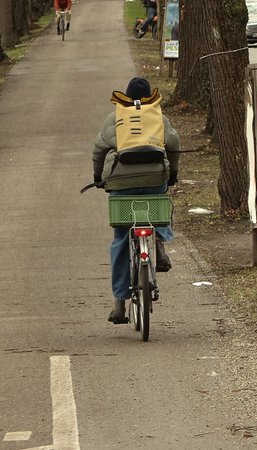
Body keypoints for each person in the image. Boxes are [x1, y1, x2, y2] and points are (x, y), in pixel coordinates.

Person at [92, 77, 180, 324]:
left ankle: (120, 303)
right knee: (159, 206)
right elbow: (173, 144)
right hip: (154, 180)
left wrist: (98, 177)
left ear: (126, 97)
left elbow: (98, 150)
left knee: (121, 238)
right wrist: (172, 173)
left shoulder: (115, 118)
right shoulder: (158, 117)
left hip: (122, 184)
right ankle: (159, 243)